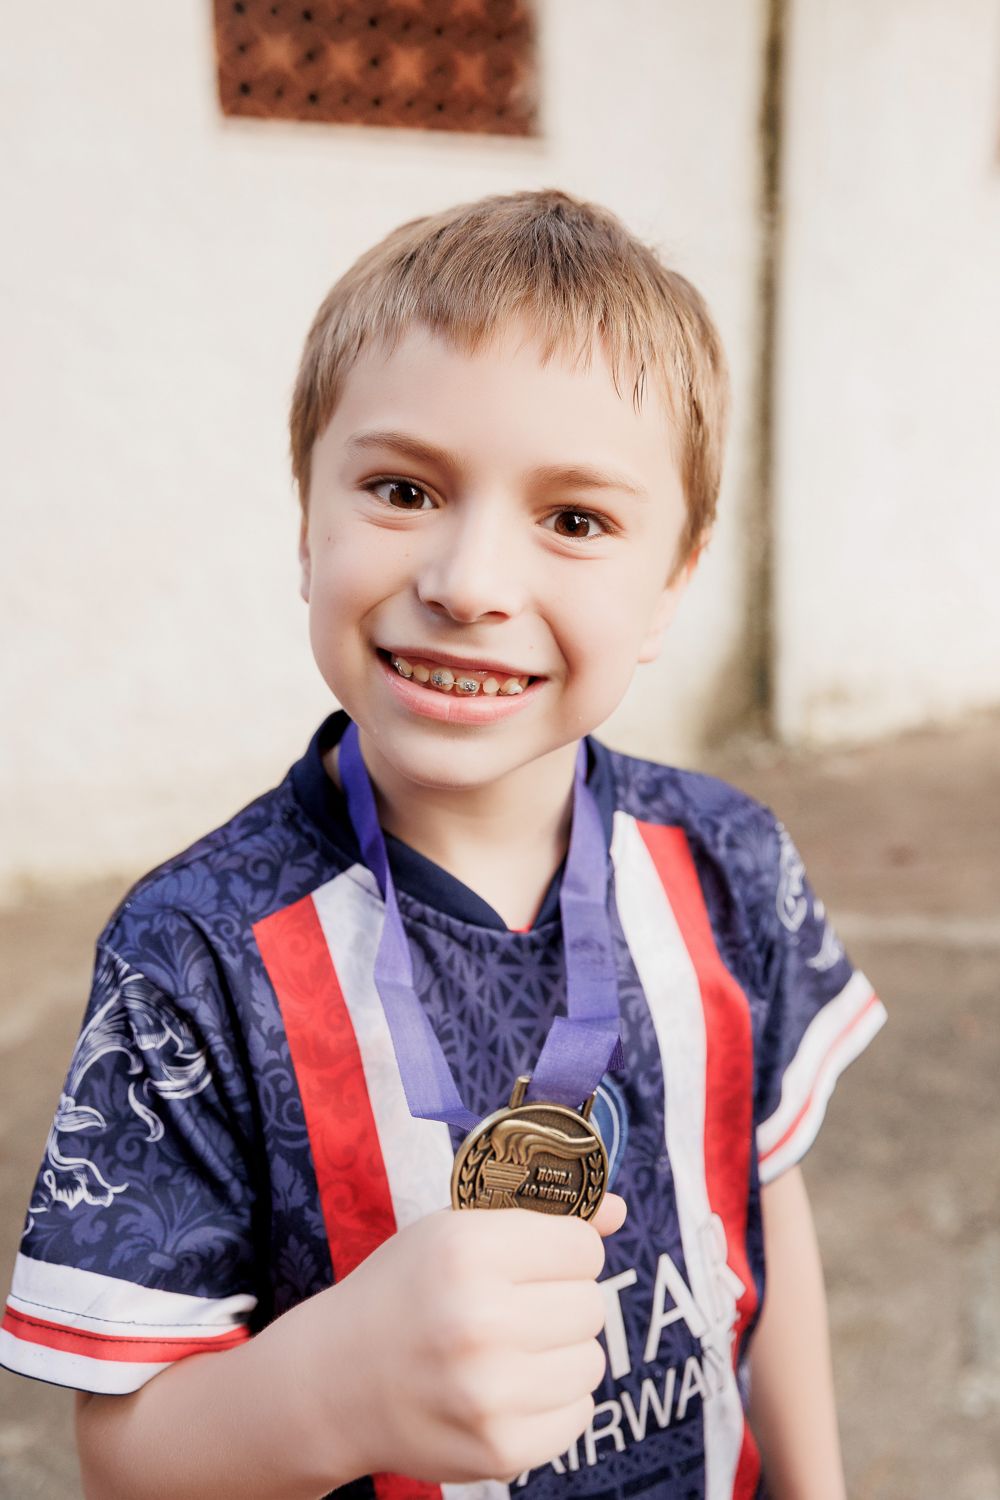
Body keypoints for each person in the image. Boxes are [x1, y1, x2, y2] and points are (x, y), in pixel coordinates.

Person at [0, 189, 885, 1500]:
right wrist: (335, 1388)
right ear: (308, 520)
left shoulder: (730, 860)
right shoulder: (194, 956)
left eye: (575, 520)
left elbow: (765, 1213)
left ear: (673, 583)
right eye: (404, 489)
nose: (471, 582)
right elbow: (127, 1458)